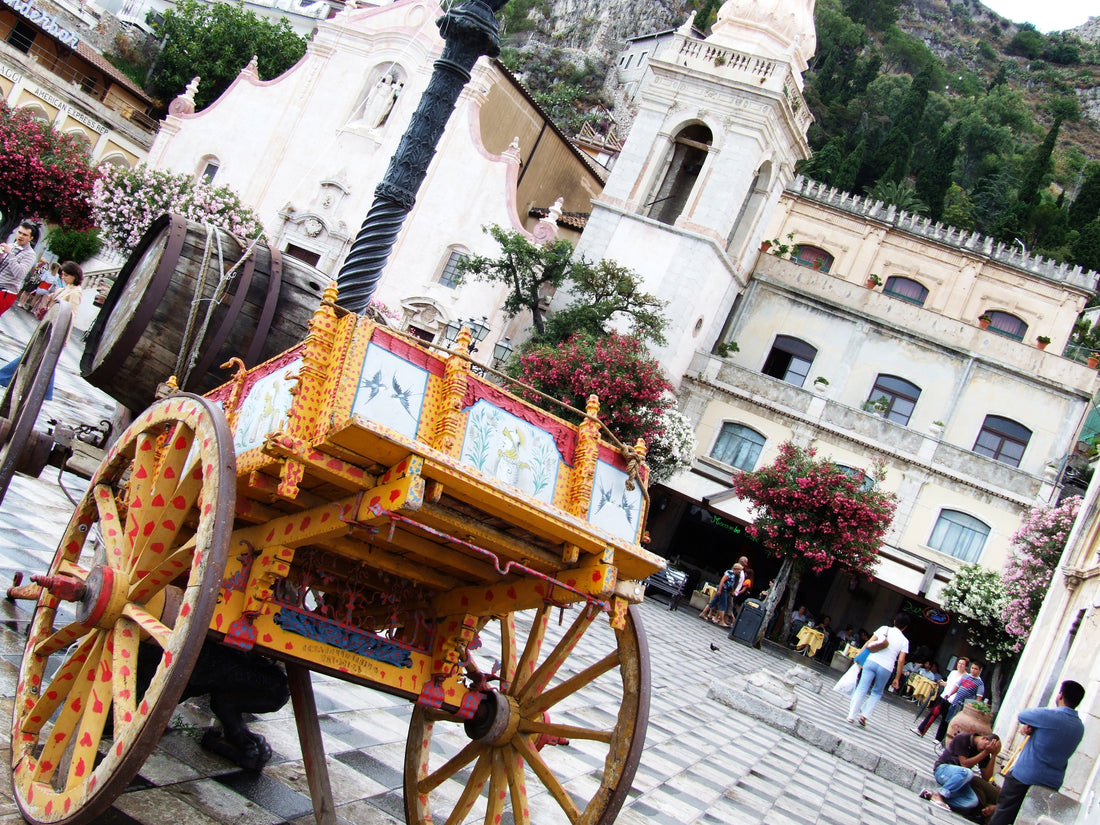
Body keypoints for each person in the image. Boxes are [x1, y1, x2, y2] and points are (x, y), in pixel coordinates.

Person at [988, 680, 1086, 825]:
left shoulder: (1050, 715)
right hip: (1051, 782)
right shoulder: (1079, 727)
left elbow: (1023, 715)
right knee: (1030, 820)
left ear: (1060, 695)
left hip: (1025, 775)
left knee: (1004, 814)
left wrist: (1032, 726)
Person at [0, 262, 83, 400]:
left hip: (57, 328)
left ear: (75, 276)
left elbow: (72, 314)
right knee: (40, 356)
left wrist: (65, 336)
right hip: (49, 325)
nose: (63, 277)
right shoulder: (67, 288)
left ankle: (6, 377)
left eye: (67, 275)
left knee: (39, 356)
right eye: (63, 274)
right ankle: (42, 391)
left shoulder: (75, 292)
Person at [846, 611, 910, 727]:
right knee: (877, 692)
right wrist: (897, 678)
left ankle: (851, 716)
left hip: (872, 661)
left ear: (894, 621)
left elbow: (869, 642)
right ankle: (864, 715)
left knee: (862, 687)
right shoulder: (905, 641)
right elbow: (901, 661)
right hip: (886, 667)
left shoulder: (884, 629)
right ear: (905, 627)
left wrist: (859, 656)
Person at [921, 731, 1001, 815]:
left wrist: (994, 755)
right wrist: (985, 752)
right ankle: (940, 794)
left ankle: (933, 796)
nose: (984, 750)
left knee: (973, 801)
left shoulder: (984, 751)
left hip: (959, 779)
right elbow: (964, 764)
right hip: (943, 770)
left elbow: (986, 777)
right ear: (984, 738)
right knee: (967, 772)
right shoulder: (964, 738)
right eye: (985, 748)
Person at [914, 656, 969, 737]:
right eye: (959, 663)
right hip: (944, 696)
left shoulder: (966, 677)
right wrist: (944, 684)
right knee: (933, 713)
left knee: (945, 720)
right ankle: (921, 729)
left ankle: (939, 738)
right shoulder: (953, 672)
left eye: (962, 664)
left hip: (952, 700)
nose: (960, 665)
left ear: (966, 666)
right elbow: (949, 684)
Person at [935, 661, 986, 743]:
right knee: (947, 720)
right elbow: (957, 687)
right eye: (972, 668)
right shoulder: (965, 676)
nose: (973, 670)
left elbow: (979, 697)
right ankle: (940, 739)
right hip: (955, 702)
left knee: (957, 725)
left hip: (964, 706)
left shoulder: (980, 683)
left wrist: (973, 708)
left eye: (976, 669)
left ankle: (949, 741)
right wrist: (949, 694)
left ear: (980, 671)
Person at [0, 221, 39, 317]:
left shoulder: (30, 254)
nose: (21, 236)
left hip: (7, 291)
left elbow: (20, 273)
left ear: (30, 238)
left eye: (25, 235)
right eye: (19, 233)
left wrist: (10, 254)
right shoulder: (10, 246)